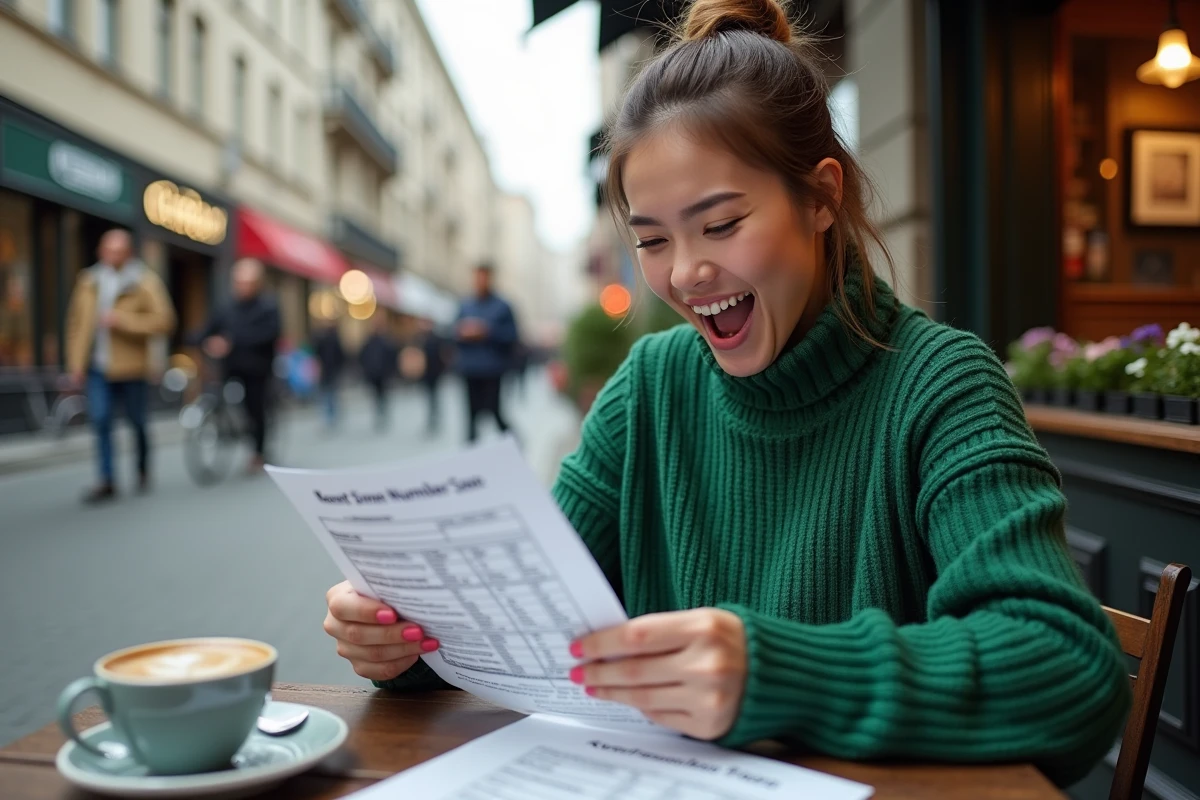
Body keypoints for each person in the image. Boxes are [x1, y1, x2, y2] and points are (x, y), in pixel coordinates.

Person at [319, 0, 1130, 787]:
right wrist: (409, 645)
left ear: (821, 196)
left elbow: (1069, 671)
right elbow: (527, 621)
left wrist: (777, 671)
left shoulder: (940, 384)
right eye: (652, 239)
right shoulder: (649, 388)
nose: (685, 273)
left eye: (721, 223)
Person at [65, 229, 175, 504]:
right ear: (100, 251)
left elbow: (164, 321)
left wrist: (122, 320)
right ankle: (107, 479)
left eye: (118, 251)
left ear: (128, 254)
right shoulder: (88, 281)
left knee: (137, 422)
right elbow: (76, 325)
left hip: (131, 368)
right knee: (101, 421)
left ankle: (142, 468)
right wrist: (75, 364)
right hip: (98, 367)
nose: (112, 256)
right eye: (108, 250)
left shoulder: (144, 281)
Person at [198, 258, 281, 472]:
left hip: (257, 369)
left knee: (255, 408)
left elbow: (269, 334)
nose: (241, 287)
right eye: (238, 282)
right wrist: (200, 340)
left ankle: (258, 452)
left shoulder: (268, 307)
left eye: (246, 282)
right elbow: (209, 329)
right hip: (230, 367)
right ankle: (223, 425)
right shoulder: (227, 307)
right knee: (215, 393)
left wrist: (231, 342)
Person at [453, 263, 518, 443]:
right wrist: (463, 332)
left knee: (494, 411)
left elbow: (513, 336)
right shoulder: (465, 305)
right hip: (470, 369)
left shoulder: (503, 306)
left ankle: (513, 444)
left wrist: (487, 331)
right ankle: (471, 456)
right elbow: (454, 333)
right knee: (471, 417)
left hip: (492, 370)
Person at [358, 315, 399, 431]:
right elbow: (362, 356)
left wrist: (390, 371)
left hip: (383, 374)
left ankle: (383, 415)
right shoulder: (370, 341)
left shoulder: (386, 341)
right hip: (373, 374)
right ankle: (379, 415)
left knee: (383, 396)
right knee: (377, 396)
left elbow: (392, 357)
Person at [312, 320, 345, 431]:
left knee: (328, 394)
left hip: (328, 371)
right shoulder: (332, 340)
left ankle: (330, 416)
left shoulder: (326, 340)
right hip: (330, 371)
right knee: (330, 394)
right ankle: (331, 416)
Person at [418, 321, 447, 435]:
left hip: (435, 372)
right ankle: (431, 418)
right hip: (425, 373)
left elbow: (442, 355)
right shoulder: (420, 339)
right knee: (429, 397)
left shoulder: (437, 339)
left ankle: (435, 418)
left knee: (435, 397)